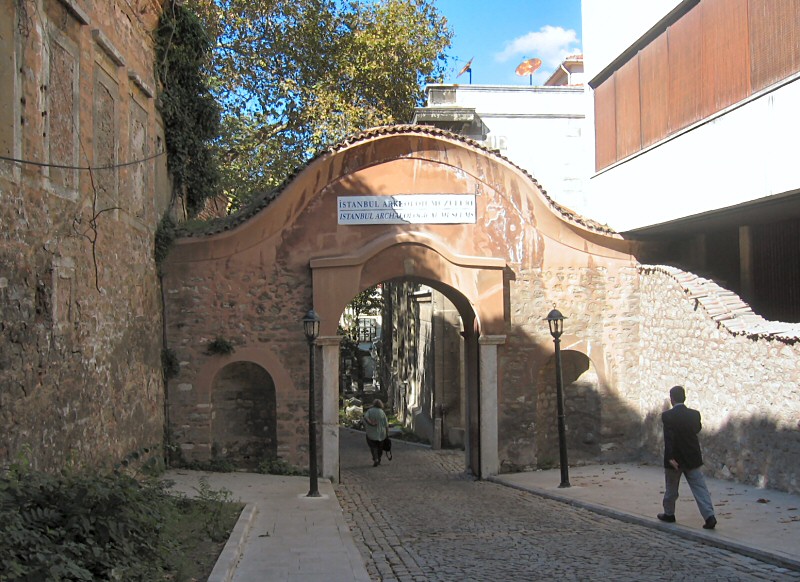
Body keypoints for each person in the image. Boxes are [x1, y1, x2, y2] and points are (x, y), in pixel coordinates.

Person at [658, 385, 717, 530]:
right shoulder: (694, 414)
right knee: (700, 488)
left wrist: (671, 457)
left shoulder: (667, 416)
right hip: (692, 457)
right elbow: (697, 429)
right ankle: (709, 516)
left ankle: (669, 513)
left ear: (672, 399)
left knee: (671, 489)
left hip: (675, 459)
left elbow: (669, 438)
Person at [363, 399, 389, 467]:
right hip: (381, 433)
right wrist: (387, 433)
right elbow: (386, 424)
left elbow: (365, 417)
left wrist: (370, 423)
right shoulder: (382, 412)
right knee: (380, 447)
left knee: (373, 446)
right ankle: (378, 459)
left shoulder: (370, 411)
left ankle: (375, 458)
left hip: (371, 432)